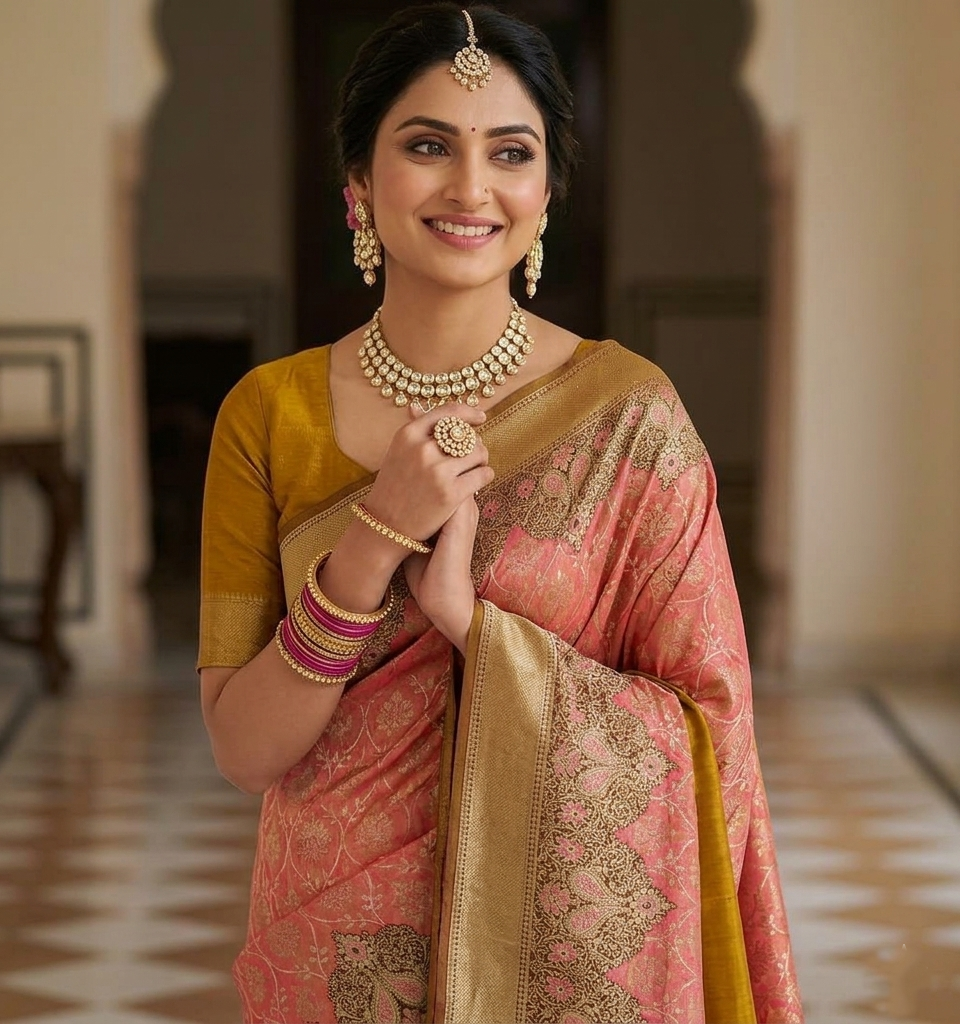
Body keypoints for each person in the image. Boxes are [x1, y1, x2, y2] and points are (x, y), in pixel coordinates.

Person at [198, 4, 802, 1021]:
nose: (470, 187)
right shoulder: (269, 414)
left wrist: (472, 625)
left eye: (509, 152)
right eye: (427, 144)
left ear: (545, 194)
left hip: (560, 963)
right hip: (334, 946)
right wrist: (377, 534)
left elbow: (709, 737)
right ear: (358, 184)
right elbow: (245, 749)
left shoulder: (630, 418)